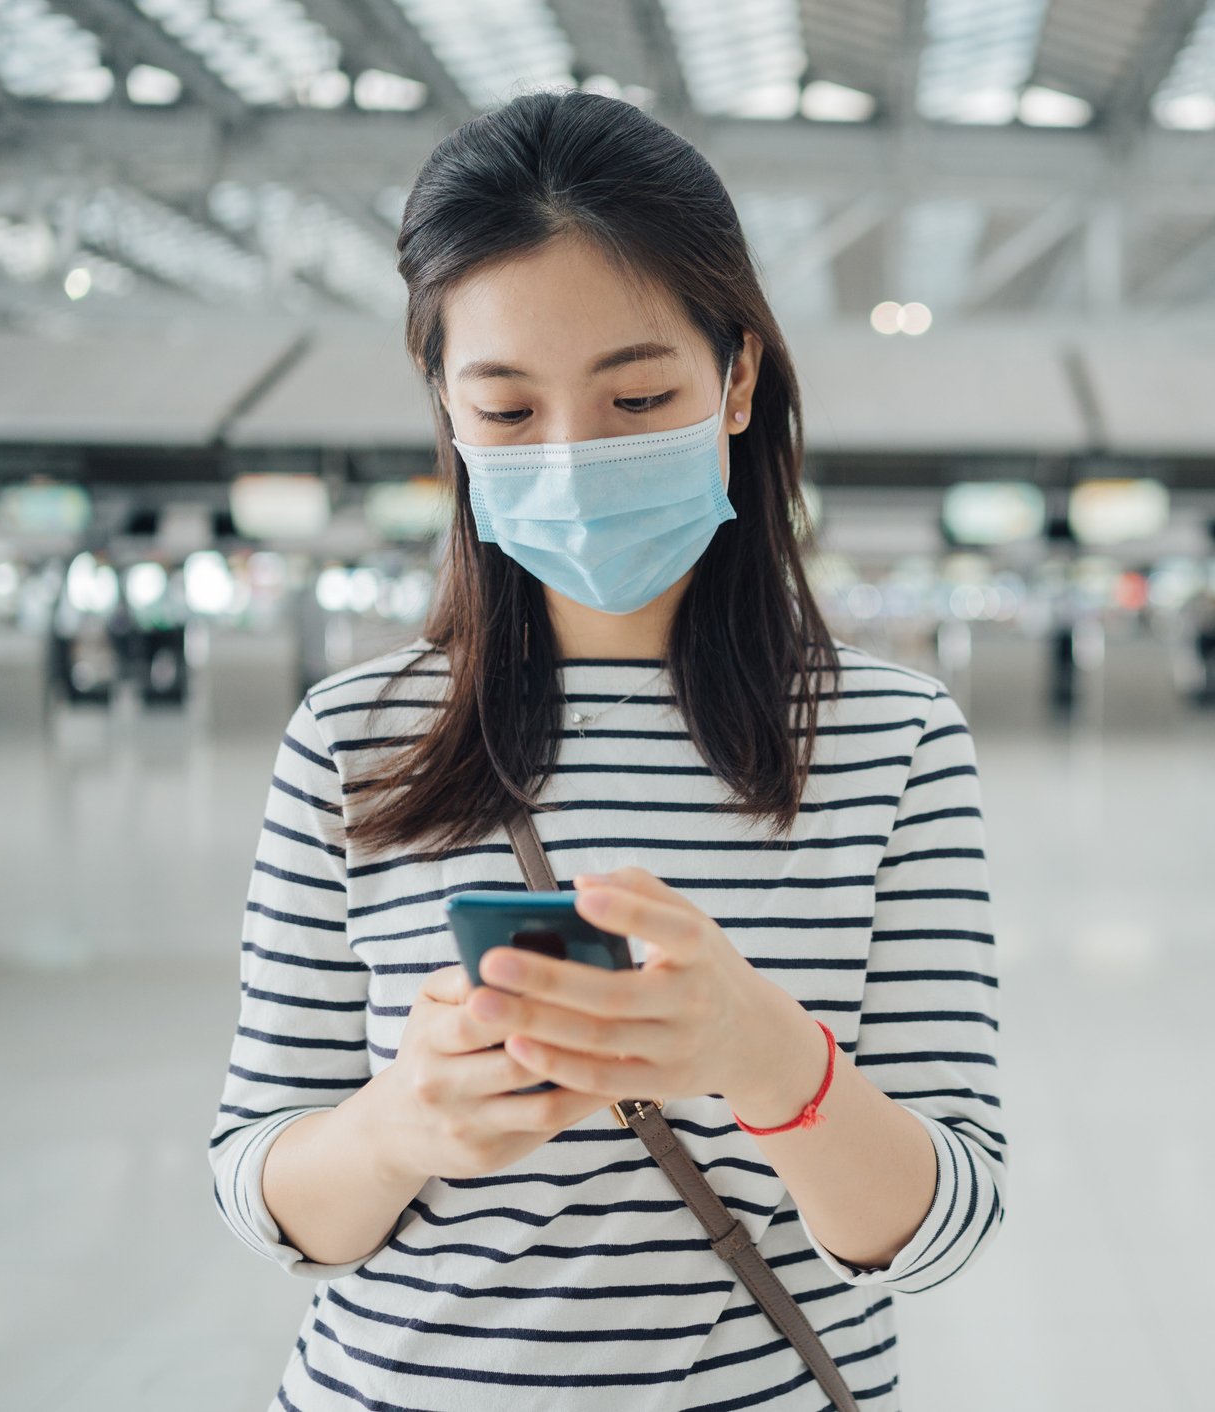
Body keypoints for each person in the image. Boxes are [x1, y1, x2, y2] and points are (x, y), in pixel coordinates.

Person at [207, 89, 1006, 1411]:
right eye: (508, 414)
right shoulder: (355, 739)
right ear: (447, 414)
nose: (573, 461)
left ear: (737, 378)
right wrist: (403, 1124)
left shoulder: (886, 741)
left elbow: (945, 1222)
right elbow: (264, 1187)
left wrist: (763, 1055)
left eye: (637, 396)